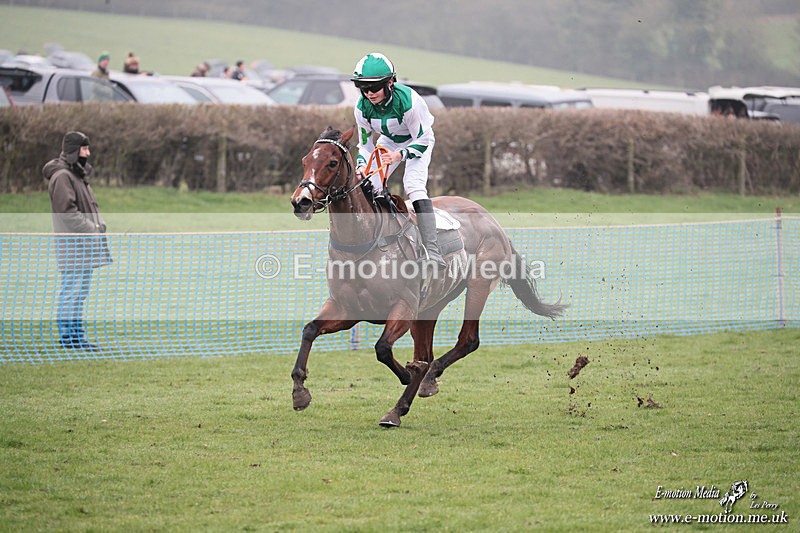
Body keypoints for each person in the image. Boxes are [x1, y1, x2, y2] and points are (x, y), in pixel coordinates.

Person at [350, 52, 445, 267]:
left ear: (390, 82)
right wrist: (361, 167)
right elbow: (365, 146)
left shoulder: (409, 102)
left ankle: (432, 250)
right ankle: (374, 241)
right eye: (363, 88)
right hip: (390, 141)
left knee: (413, 184)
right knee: (369, 185)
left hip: (418, 140)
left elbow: (422, 138)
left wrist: (400, 155)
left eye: (374, 87)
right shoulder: (361, 108)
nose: (369, 93)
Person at [43, 131, 112, 351]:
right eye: (84, 149)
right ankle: (68, 338)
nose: (88, 153)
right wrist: (92, 228)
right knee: (72, 291)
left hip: (83, 246)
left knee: (79, 292)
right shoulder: (63, 176)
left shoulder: (76, 175)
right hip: (73, 246)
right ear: (74, 151)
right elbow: (68, 213)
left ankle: (76, 336)